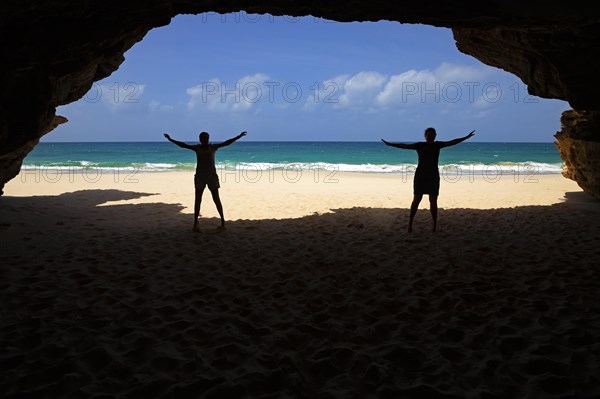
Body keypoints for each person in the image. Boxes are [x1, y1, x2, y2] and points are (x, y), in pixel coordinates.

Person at [382, 128, 475, 233]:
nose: (430, 136)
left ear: (435, 136)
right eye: (428, 135)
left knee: (433, 201)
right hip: (421, 176)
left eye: (432, 135)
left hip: (433, 176)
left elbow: (453, 142)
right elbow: (405, 146)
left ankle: (434, 226)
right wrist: (390, 144)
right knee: (416, 199)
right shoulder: (419, 145)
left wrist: (466, 137)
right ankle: (410, 224)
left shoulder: (437, 145)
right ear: (425, 136)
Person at [164, 130, 247, 231]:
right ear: (200, 139)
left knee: (216, 199)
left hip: (212, 177)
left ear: (208, 139)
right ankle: (195, 224)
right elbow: (183, 145)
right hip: (200, 177)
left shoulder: (213, 147)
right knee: (198, 200)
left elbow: (226, 143)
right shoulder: (197, 148)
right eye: (202, 138)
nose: (204, 140)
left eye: (206, 138)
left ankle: (222, 222)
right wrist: (170, 139)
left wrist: (238, 137)